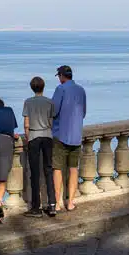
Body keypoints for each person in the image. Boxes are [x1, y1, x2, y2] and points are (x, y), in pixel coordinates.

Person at [51, 65, 87, 211]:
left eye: (59, 76)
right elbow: (83, 112)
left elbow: (53, 111)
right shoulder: (81, 90)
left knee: (57, 168)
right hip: (76, 136)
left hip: (61, 135)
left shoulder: (61, 89)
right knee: (73, 169)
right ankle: (71, 202)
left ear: (61, 76)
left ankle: (58, 203)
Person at [22, 76, 56, 217]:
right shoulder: (49, 102)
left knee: (34, 172)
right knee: (48, 170)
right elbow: (51, 121)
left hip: (34, 137)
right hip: (47, 136)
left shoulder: (28, 102)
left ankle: (36, 207)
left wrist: (28, 137)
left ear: (32, 88)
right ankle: (52, 204)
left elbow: (26, 124)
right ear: (43, 87)